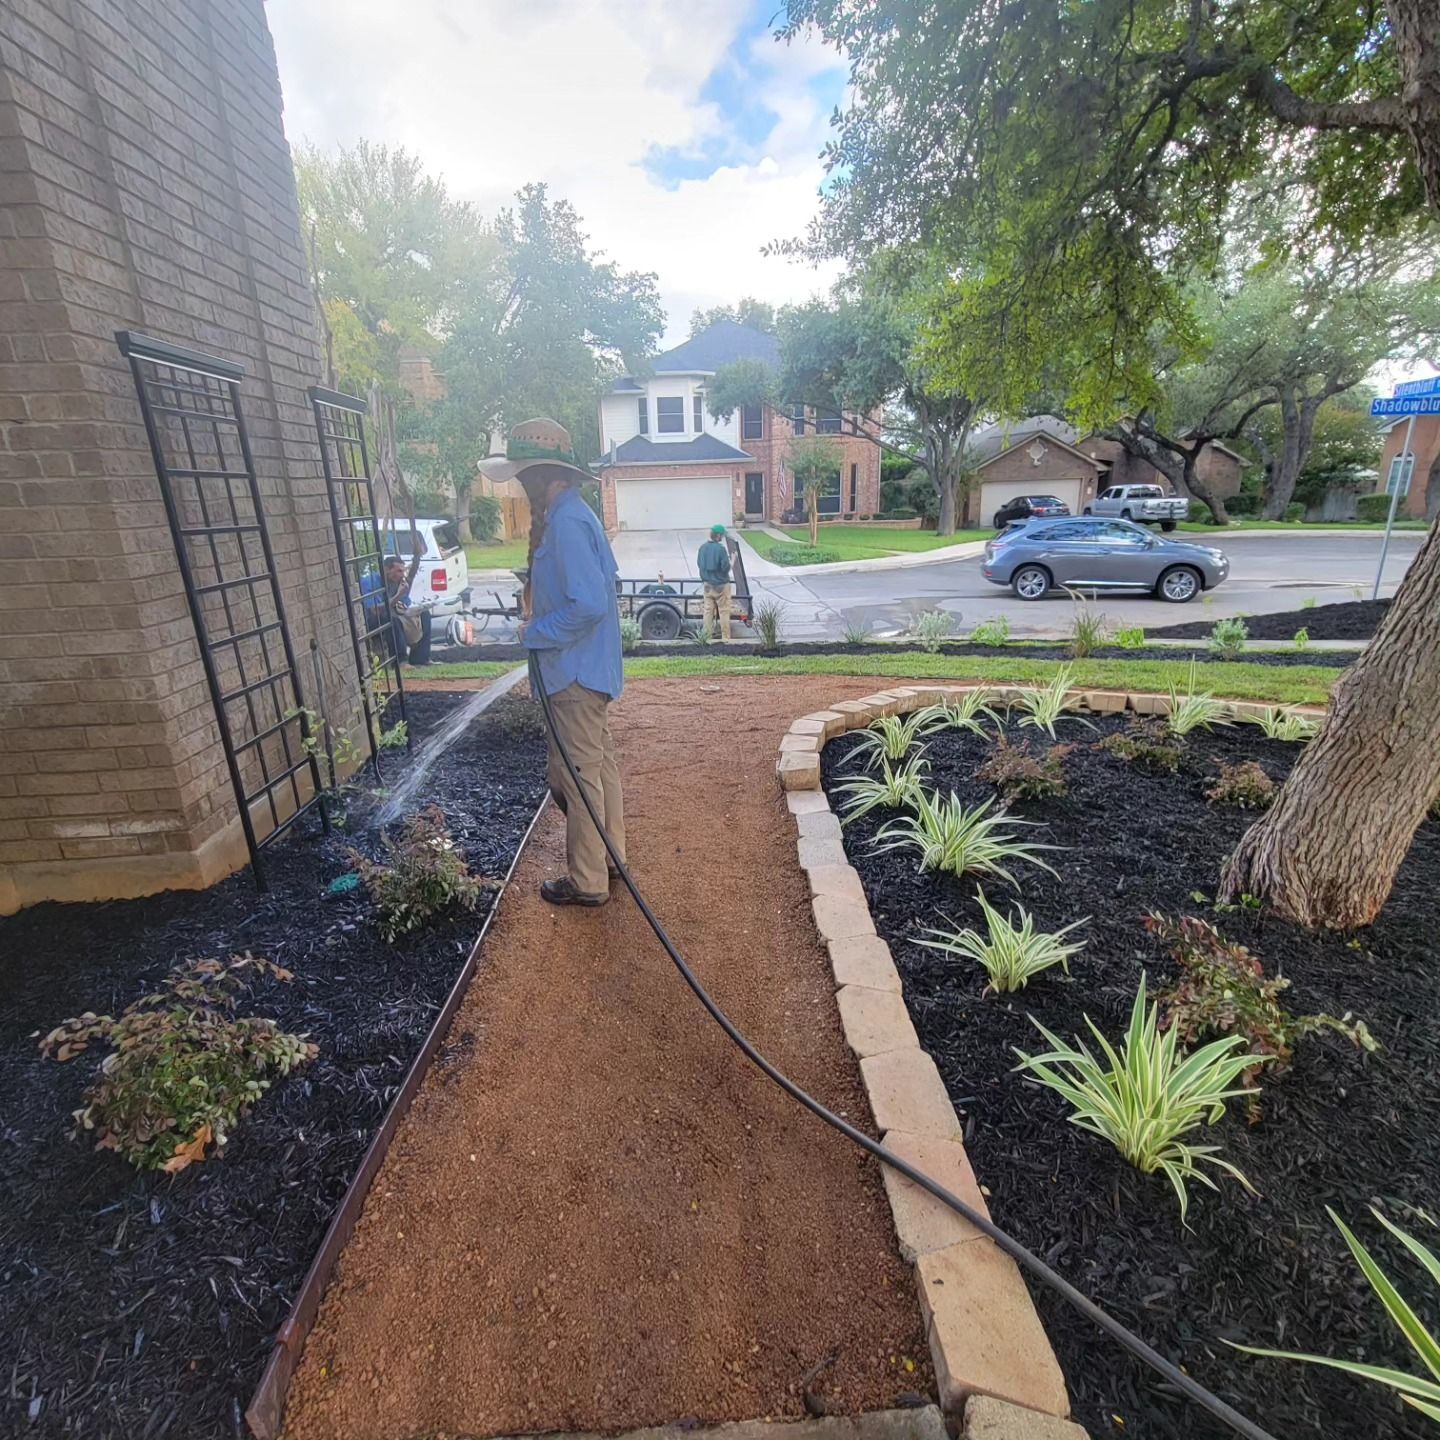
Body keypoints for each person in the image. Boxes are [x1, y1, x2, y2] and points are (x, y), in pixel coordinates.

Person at [519, 465, 626, 907]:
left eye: (525, 480)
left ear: (546, 478)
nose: (521, 489)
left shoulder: (565, 523)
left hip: (574, 676)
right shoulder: (578, 515)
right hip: (587, 671)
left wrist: (535, 631)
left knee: (572, 778)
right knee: (598, 770)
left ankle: (587, 879)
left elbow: (590, 604)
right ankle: (609, 859)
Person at [697, 522, 733, 641]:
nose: (722, 538)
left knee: (708, 611)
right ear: (718, 536)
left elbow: (699, 564)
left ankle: (706, 637)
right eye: (722, 536)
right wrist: (733, 561)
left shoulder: (702, 548)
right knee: (723, 611)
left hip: (707, 585)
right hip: (721, 586)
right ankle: (725, 638)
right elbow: (725, 568)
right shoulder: (721, 550)